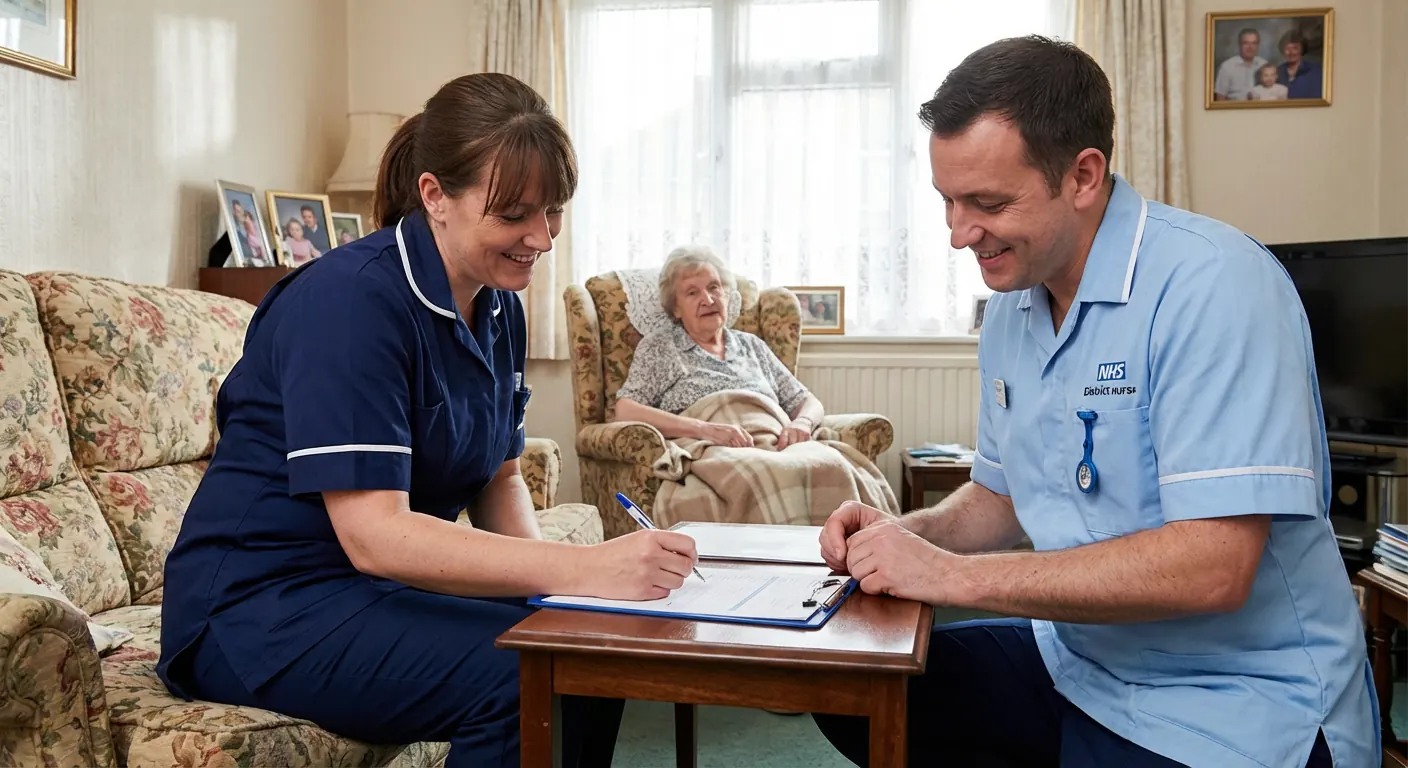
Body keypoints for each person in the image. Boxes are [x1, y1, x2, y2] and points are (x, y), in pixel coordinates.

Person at [814, 35, 1376, 768]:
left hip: (1236, 705)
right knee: (847, 691)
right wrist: (897, 538)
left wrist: (949, 578)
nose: (958, 234)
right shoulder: (1014, 303)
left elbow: (1212, 567)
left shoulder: (1217, 285)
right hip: (1079, 665)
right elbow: (1000, 497)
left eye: (987, 202)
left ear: (1083, 176)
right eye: (948, 201)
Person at [157, 72, 702, 768]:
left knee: (584, 644)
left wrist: (559, 596)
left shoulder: (498, 302)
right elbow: (376, 537)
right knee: (520, 675)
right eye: (514, 214)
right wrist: (585, 567)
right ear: (435, 197)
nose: (542, 237)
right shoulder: (349, 304)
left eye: (554, 211)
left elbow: (500, 475)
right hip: (257, 609)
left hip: (364, 592)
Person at [612, 245, 825, 450]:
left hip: (775, 446)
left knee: (828, 467)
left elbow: (806, 401)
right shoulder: (660, 348)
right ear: (676, 308)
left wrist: (802, 423)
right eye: (692, 293)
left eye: (714, 287)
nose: (708, 299)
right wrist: (705, 430)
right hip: (713, 451)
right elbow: (626, 410)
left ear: (725, 294)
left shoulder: (752, 345)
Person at [1213, 27, 1266, 101]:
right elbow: (1220, 97)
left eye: (1254, 43)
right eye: (1246, 43)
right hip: (1234, 111)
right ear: (1239, 45)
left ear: (1258, 45)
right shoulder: (1227, 67)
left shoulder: (1264, 64)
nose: (1250, 47)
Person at [1277, 31, 1324, 99]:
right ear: (1283, 51)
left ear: (1302, 50)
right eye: (1287, 48)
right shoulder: (1277, 71)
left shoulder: (1316, 70)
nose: (1291, 52)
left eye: (1295, 48)